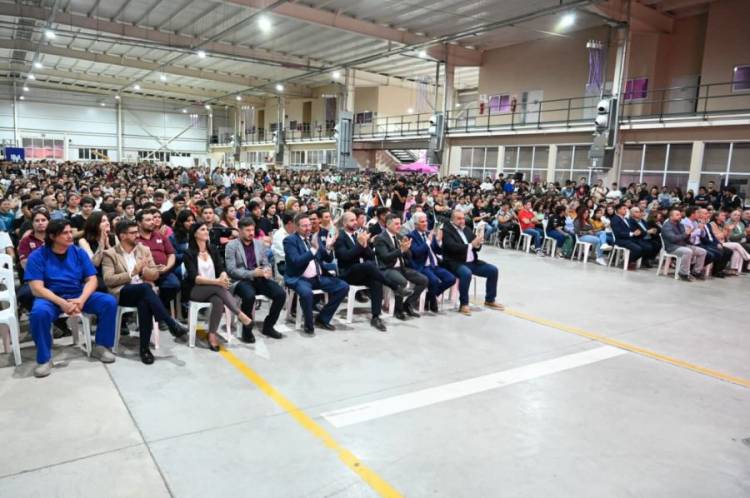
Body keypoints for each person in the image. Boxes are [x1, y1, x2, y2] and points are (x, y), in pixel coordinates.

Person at [25, 219, 118, 377]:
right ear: (52, 236)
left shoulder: (78, 252)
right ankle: (44, 359)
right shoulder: (37, 256)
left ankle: (101, 346)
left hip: (77, 293)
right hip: (51, 298)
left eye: (70, 232)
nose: (70, 236)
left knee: (108, 302)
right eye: (65, 233)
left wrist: (81, 299)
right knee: (38, 314)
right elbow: (36, 288)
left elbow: (92, 280)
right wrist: (62, 303)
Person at [102, 220, 188, 364]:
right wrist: (132, 273)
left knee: (144, 302)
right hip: (122, 292)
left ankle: (144, 350)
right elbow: (108, 280)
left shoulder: (144, 250)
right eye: (133, 233)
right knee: (145, 289)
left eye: (137, 232)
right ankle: (170, 323)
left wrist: (143, 271)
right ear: (122, 236)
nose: (137, 235)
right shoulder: (110, 254)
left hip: (142, 291)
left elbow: (155, 274)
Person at [183, 222, 253, 351]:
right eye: (202, 229)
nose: (206, 231)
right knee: (219, 288)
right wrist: (217, 282)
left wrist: (223, 276)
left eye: (206, 229)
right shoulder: (189, 253)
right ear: (195, 234)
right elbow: (195, 278)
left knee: (218, 300)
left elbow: (221, 269)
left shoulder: (212, 249)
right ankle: (239, 314)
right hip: (195, 290)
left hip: (214, 289)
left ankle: (212, 335)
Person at [335, 211, 406, 331]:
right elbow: (344, 257)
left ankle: (376, 317)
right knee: (368, 266)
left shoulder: (357, 235)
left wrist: (364, 244)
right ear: (344, 223)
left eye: (355, 219)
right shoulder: (340, 237)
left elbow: (371, 255)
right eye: (352, 220)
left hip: (360, 272)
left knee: (376, 280)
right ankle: (395, 287)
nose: (355, 222)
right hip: (346, 273)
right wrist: (359, 245)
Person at [283, 213, 349, 334]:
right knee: (306, 293)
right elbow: (296, 262)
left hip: (317, 277)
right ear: (296, 227)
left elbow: (328, 259)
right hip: (299, 278)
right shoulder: (290, 240)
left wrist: (328, 247)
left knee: (343, 286)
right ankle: (308, 325)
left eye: (309, 225)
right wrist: (313, 249)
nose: (308, 228)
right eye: (304, 226)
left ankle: (323, 318)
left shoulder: (313, 238)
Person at [225, 217, 286, 342]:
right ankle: (247, 331)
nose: (251, 233)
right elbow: (231, 270)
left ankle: (269, 326)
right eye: (247, 230)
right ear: (240, 231)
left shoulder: (259, 244)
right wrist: (252, 273)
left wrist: (267, 270)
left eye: (252, 230)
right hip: (241, 280)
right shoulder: (231, 246)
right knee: (249, 296)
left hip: (259, 278)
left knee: (280, 294)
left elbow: (265, 262)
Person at [440, 210, 503, 316]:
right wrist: (471, 245)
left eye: (463, 218)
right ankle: (464, 304)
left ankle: (490, 300)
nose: (462, 221)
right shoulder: (446, 230)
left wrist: (478, 244)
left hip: (472, 262)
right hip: (455, 262)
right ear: (452, 220)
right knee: (466, 273)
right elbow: (452, 247)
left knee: (493, 270)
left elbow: (475, 246)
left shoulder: (467, 229)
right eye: (459, 219)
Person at [373, 214, 428, 320]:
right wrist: (401, 250)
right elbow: (385, 257)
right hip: (387, 268)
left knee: (423, 280)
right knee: (402, 281)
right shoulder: (380, 238)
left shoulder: (400, 236)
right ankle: (398, 310)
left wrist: (407, 249)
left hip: (401, 267)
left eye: (400, 223)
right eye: (396, 224)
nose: (399, 226)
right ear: (388, 224)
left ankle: (408, 304)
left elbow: (409, 256)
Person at [408, 212, 456, 311]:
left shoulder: (428, 234)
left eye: (426, 221)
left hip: (434, 265)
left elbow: (438, 251)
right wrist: (428, 242)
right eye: (422, 222)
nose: (425, 223)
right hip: (423, 266)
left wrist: (438, 241)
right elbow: (417, 252)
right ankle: (432, 299)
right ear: (416, 224)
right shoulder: (411, 236)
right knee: (434, 281)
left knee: (451, 279)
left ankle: (430, 296)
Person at [137, 209, 180, 313]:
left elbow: (171, 254)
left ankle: (160, 310)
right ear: (139, 223)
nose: (152, 222)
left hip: (164, 271)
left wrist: (167, 267)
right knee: (147, 289)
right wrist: (150, 270)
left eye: (152, 219)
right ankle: (159, 313)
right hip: (144, 274)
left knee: (174, 285)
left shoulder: (160, 236)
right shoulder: (135, 238)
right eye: (148, 220)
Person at [661, 208, 707, 281]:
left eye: (680, 215)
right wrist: (686, 234)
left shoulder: (680, 225)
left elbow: (685, 238)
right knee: (688, 251)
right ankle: (683, 273)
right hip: (672, 247)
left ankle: (696, 272)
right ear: (671, 216)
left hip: (683, 245)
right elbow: (673, 239)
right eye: (677, 215)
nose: (680, 216)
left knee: (702, 251)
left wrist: (689, 234)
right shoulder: (667, 226)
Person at [610, 203, 643, 269]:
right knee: (638, 249)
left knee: (645, 247)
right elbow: (618, 233)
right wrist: (632, 234)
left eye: (626, 209)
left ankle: (629, 261)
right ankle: (626, 261)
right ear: (618, 210)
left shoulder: (626, 219)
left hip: (629, 238)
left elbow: (631, 229)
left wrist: (636, 232)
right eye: (624, 209)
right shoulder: (615, 219)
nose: (626, 210)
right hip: (621, 240)